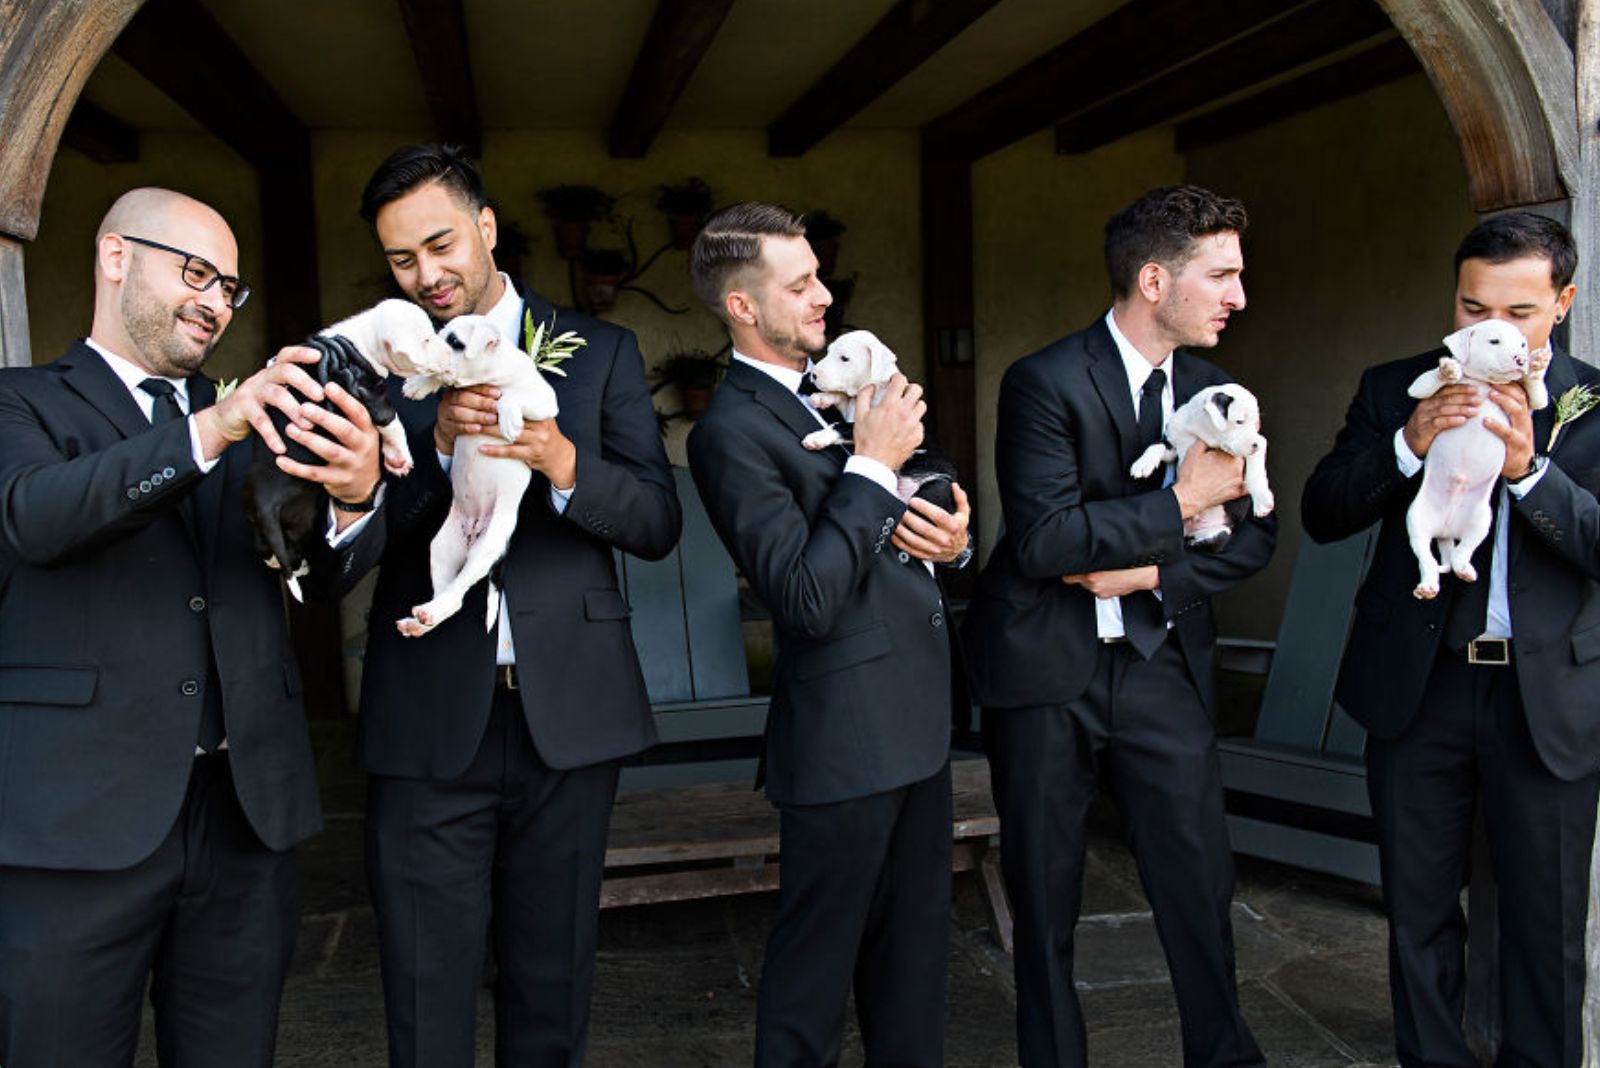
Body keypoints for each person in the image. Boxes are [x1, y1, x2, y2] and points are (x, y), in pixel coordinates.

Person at [0, 187, 385, 1066]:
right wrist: (209, 429)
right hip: (74, 824)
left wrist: (358, 498)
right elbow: (36, 519)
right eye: (197, 273)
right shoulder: (21, 402)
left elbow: (323, 578)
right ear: (116, 257)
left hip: (243, 819)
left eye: (230, 288)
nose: (216, 302)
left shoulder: (255, 418)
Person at [341, 144, 681, 1068]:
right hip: (426, 715)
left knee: (553, 985)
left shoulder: (601, 351)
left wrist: (563, 462)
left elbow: (657, 522)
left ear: (486, 227)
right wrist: (431, 449)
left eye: (441, 245)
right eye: (402, 259)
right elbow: (358, 537)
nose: (426, 275)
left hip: (569, 716)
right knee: (423, 990)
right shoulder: (380, 368)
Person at [964, 185, 1275, 1068]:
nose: (1238, 296)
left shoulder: (1220, 391)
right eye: (1221, 275)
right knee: (1043, 894)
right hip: (1044, 667)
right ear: (1154, 281)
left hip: (1162, 661)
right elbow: (1044, 541)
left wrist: (1150, 571)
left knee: (1200, 881)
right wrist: (1182, 501)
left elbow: (1257, 535)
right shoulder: (1044, 380)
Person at [1303, 211, 1599, 1068]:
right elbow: (1324, 511)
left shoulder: (1594, 402)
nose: (1492, 327)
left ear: (1563, 302)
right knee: (1418, 912)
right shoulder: (1395, 385)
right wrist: (1407, 443)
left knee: (1546, 921)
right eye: (1473, 308)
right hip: (1419, 687)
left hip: (1545, 697)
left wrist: (1530, 472)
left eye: (1519, 312)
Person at [685, 201, 972, 1068]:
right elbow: (804, 597)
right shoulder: (729, 432)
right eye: (800, 284)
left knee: (914, 967)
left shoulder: (856, 382)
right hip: (842, 738)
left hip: (917, 722)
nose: (823, 296)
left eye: (819, 278)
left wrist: (953, 540)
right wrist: (873, 463)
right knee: (813, 979)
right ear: (742, 306)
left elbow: (917, 496)